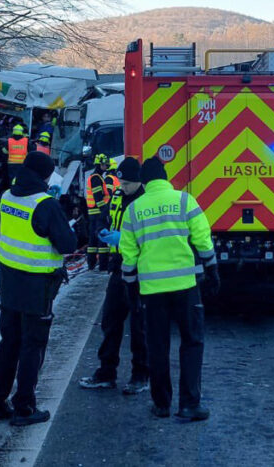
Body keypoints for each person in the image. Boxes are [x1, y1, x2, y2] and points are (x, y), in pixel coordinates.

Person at [0, 151, 79, 426]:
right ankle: (24, 407)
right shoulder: (46, 205)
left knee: (8, 342)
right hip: (38, 286)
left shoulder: (7, 196)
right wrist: (61, 216)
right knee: (32, 346)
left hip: (9, 282)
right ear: (47, 175)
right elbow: (68, 245)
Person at [120, 157, 218, 421]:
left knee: (157, 346)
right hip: (185, 287)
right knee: (192, 342)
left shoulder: (134, 210)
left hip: (152, 291)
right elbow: (202, 237)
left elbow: (128, 254)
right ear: (164, 176)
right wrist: (212, 267)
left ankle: (161, 403)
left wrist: (130, 286)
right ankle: (189, 404)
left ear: (144, 180)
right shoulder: (185, 200)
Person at [78, 158, 149, 394]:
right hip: (119, 266)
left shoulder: (146, 201)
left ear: (138, 180)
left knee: (139, 326)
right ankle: (106, 372)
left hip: (140, 269)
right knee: (110, 320)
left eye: (128, 182)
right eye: (122, 181)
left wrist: (124, 239)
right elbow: (110, 215)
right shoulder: (118, 195)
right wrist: (106, 231)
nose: (123, 186)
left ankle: (141, 375)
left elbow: (150, 237)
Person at [85, 154, 113, 270]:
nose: (106, 166)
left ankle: (91, 264)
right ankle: (103, 265)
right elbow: (98, 198)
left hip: (93, 213)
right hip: (98, 213)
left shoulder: (96, 177)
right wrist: (105, 212)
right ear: (99, 164)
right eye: (104, 164)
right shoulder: (96, 178)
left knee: (93, 240)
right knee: (102, 240)